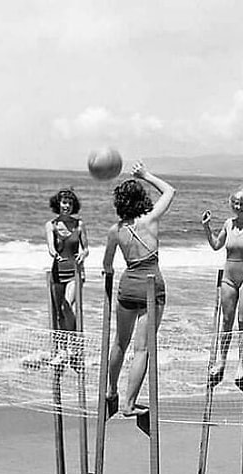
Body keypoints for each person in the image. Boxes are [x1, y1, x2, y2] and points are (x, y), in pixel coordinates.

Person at [103, 161, 175, 416]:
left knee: (119, 343)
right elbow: (170, 191)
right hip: (151, 287)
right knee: (141, 349)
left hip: (128, 285)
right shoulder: (151, 219)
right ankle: (129, 404)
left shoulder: (115, 231)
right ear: (141, 199)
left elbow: (107, 265)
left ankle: (111, 390)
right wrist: (146, 175)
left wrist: (110, 276)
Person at [201, 187, 243, 391]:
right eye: (235, 203)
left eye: (241, 203)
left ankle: (241, 364)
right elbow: (216, 245)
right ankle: (221, 362)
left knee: (242, 321)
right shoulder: (228, 224)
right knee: (227, 320)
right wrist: (206, 227)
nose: (237, 206)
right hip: (228, 277)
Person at [45, 188, 89, 332]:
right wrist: (53, 253)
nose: (67, 206)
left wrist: (83, 254)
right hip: (58, 272)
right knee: (59, 312)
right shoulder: (51, 225)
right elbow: (51, 247)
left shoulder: (79, 224)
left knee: (67, 305)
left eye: (70, 203)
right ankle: (62, 347)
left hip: (75, 272)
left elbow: (86, 249)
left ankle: (74, 341)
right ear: (58, 204)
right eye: (64, 202)